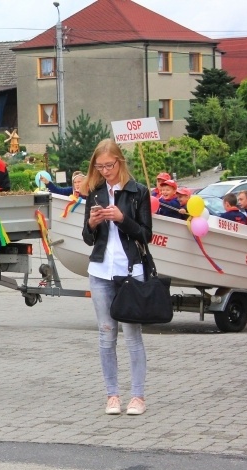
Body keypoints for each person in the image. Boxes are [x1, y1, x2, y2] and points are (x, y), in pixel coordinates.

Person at [82, 139, 152, 416]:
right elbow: (88, 239)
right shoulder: (95, 191)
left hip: (130, 271)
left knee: (132, 335)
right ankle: (112, 395)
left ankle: (138, 396)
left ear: (119, 162)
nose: (104, 171)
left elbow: (146, 235)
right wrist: (91, 223)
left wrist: (123, 218)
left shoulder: (138, 191)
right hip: (100, 270)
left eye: (108, 166)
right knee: (106, 334)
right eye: (99, 167)